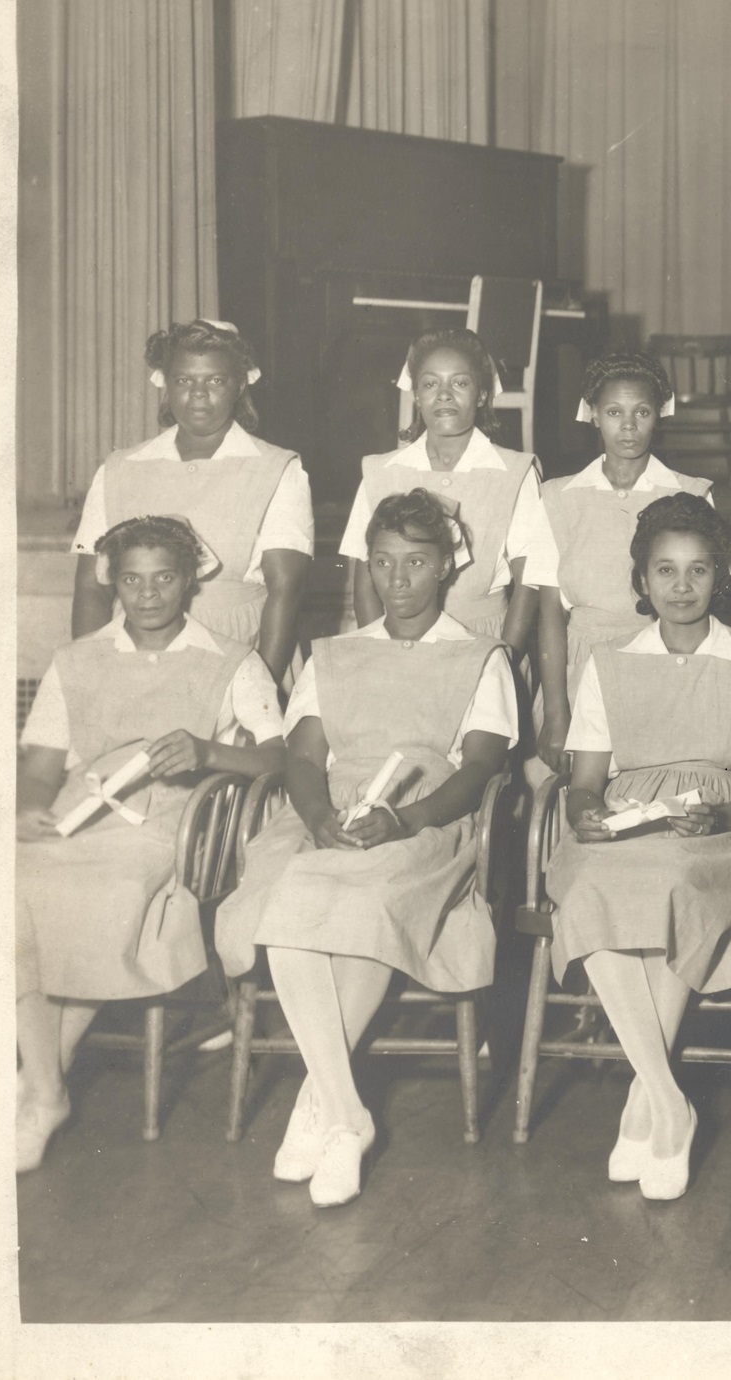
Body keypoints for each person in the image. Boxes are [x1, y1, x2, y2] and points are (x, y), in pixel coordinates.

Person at [216, 490, 517, 1207]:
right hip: (329, 811)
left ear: (447, 566)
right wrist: (318, 817)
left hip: (424, 819)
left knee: (368, 903)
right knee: (286, 898)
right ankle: (348, 1118)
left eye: (416, 562)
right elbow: (303, 757)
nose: (399, 579)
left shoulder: (481, 658)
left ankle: (319, 1106)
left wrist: (406, 821)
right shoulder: (335, 653)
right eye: (383, 563)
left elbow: (479, 769)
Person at [544, 493, 731, 1199]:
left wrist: (719, 817)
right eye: (665, 571)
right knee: (590, 880)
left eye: (696, 571)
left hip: (716, 830)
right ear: (642, 578)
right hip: (629, 821)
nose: (681, 587)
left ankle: (644, 1103)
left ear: (720, 577)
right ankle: (667, 1101)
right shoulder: (609, 659)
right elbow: (585, 783)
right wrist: (588, 812)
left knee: (678, 883)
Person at [17, 516, 286, 1171]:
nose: (147, 594)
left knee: (101, 896)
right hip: (76, 814)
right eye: (132, 578)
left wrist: (207, 751)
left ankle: (37, 1087)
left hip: (169, 823)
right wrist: (27, 806)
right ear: (112, 580)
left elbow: (281, 760)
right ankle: (46, 1089)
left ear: (188, 579)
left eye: (163, 577)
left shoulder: (230, 660)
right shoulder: (77, 659)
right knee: (7, 891)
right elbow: (45, 762)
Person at [72, 319, 311, 683]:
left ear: (241, 383)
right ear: (166, 384)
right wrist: (92, 680)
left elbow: (286, 591)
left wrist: (258, 695)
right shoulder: (119, 470)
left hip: (240, 656)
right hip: (134, 661)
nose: (199, 394)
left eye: (215, 380)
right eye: (184, 380)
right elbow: (91, 587)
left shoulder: (278, 470)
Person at [531, 351, 714, 768]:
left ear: (659, 415)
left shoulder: (691, 493)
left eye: (642, 412)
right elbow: (550, 616)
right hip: (579, 670)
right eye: (614, 411)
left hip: (664, 662)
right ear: (593, 414)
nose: (628, 426)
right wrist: (557, 713)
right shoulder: (558, 498)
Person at [339, 328, 553, 649]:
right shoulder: (380, 472)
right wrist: (382, 655)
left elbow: (529, 584)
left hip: (484, 640)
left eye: (460, 382)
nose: (444, 394)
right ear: (416, 395)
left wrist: (503, 657)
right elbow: (364, 582)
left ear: (481, 394)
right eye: (430, 383)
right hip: (399, 642)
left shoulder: (515, 473)